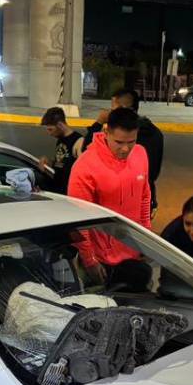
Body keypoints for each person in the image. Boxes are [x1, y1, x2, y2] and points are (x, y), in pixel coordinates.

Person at [68, 107, 152, 285]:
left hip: (134, 255)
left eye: (131, 141)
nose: (125, 148)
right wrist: (89, 261)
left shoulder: (141, 154)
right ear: (106, 132)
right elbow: (78, 220)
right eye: (119, 142)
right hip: (102, 262)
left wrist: (147, 239)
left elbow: (144, 198)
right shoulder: (85, 166)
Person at [85, 89, 165, 215]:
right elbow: (153, 172)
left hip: (122, 203)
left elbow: (87, 151)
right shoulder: (155, 133)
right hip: (144, 199)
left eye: (114, 110)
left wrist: (98, 123)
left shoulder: (118, 137)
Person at [39, 107, 85, 194]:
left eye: (51, 129)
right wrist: (49, 162)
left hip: (68, 193)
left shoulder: (78, 141)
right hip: (57, 189)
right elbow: (62, 163)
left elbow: (83, 171)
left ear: (60, 125)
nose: (49, 133)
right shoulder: (60, 138)